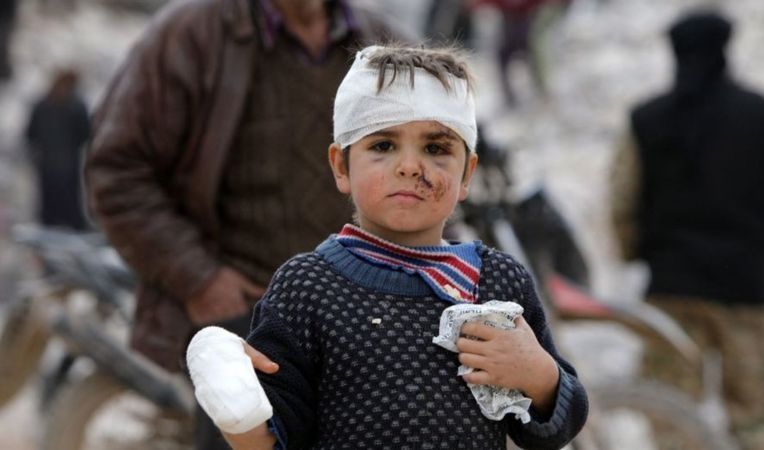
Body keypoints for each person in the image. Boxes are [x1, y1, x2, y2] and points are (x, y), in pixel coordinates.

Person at [186, 44, 588, 450]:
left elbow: (554, 428)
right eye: (383, 146)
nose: (410, 166)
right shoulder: (306, 288)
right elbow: (274, 438)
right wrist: (233, 399)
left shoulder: (498, 281)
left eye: (436, 148)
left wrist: (540, 376)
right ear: (341, 166)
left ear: (467, 174)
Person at [84, 0, 396, 448]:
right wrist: (200, 279)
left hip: (366, 322)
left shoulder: (380, 42)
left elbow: (426, 177)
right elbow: (117, 173)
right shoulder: (192, 35)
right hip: (243, 321)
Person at [610, 10, 764, 450]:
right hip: (749, 290)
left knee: (672, 417)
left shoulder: (646, 119)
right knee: (758, 419)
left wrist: (635, 252)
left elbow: (623, 205)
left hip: (671, 292)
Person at [26, 69, 91, 230]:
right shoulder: (69, 106)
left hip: (60, 162)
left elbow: (85, 133)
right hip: (55, 162)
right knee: (55, 201)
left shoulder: (72, 106)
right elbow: (31, 133)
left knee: (63, 200)